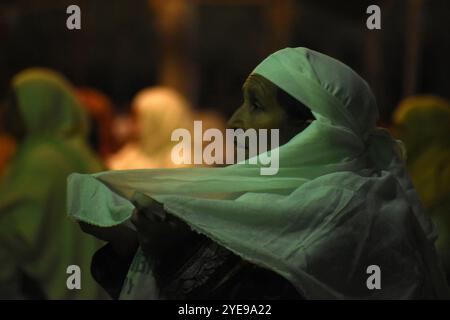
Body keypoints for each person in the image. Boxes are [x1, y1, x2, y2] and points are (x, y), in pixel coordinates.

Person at [68, 47, 450, 299]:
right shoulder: (272, 198)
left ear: (315, 129)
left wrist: (168, 253)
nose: (234, 123)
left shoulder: (350, 208)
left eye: (255, 105)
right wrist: (130, 245)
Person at [0, 68, 107, 299]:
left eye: (14, 102)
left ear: (40, 105)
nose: (6, 111)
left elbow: (13, 235)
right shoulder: (81, 154)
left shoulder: (39, 160)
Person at [392, 95, 450, 283]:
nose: (397, 135)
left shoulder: (442, 176)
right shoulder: (408, 168)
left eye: (405, 129)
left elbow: (441, 249)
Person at [107, 87, 193, 170]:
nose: (130, 125)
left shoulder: (181, 167)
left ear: (157, 123)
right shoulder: (136, 151)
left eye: (137, 119)